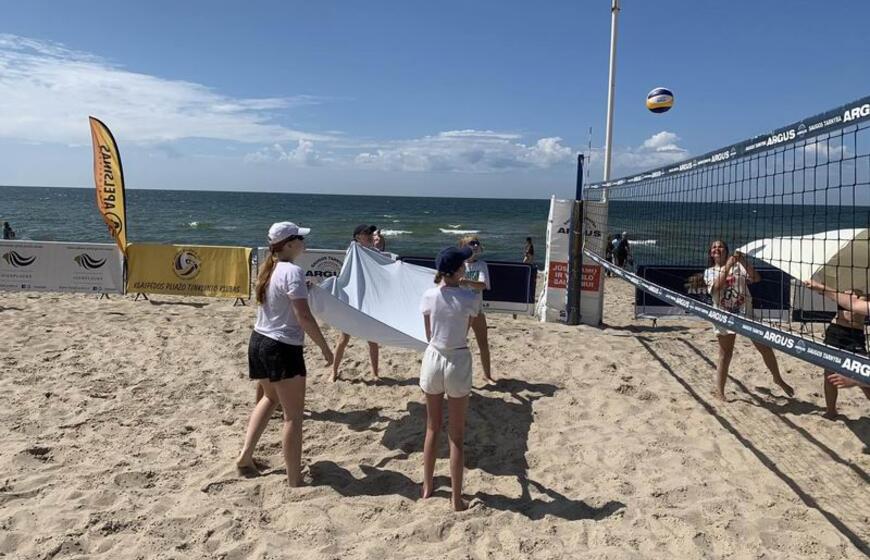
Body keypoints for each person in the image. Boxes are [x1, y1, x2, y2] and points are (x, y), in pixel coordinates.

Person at [237, 222, 334, 485]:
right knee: (293, 416)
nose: (304, 241)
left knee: (269, 398)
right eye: (300, 238)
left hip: (259, 340)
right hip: (282, 347)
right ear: (289, 244)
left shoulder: (270, 268)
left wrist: (305, 287)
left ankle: (245, 456)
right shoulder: (292, 271)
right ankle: (294, 480)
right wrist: (325, 348)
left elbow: (283, 300)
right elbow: (304, 316)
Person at [419, 245, 481, 511]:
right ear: (457, 270)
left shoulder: (428, 295)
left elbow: (428, 334)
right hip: (457, 359)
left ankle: (427, 486)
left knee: (432, 427)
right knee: (456, 434)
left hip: (434, 357)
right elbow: (466, 328)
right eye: (463, 264)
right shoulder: (469, 298)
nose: (466, 266)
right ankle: (456, 499)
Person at [704, 240, 794, 401]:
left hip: (746, 314)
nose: (717, 249)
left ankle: (778, 378)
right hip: (724, 316)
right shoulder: (709, 272)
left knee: (765, 347)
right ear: (711, 253)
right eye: (714, 247)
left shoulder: (739, 267)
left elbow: (756, 278)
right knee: (725, 354)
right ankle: (720, 391)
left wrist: (742, 260)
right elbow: (716, 287)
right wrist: (728, 266)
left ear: (726, 251)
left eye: (720, 246)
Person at [803, 279, 870, 416]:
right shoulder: (845, 280)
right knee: (830, 374)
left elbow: (854, 305)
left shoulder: (866, 283)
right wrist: (820, 287)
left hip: (855, 334)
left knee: (862, 374)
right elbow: (838, 296)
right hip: (836, 330)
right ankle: (831, 410)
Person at [331, 224, 381, 382]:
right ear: (358, 236)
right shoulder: (353, 249)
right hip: (352, 300)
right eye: (367, 233)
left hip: (369, 301)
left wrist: (377, 244)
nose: (370, 235)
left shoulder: (374, 252)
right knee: (343, 338)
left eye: (371, 233)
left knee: (372, 339)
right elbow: (354, 251)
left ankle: (375, 373)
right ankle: (333, 372)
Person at [458, 235, 493, 383]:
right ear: (463, 247)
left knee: (483, 343)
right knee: (459, 345)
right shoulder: (458, 264)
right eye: (472, 243)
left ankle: (487, 375)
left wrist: (466, 281)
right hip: (461, 312)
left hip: (477, 310)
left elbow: (483, 285)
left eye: (477, 243)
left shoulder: (481, 265)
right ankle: (457, 376)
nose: (475, 246)